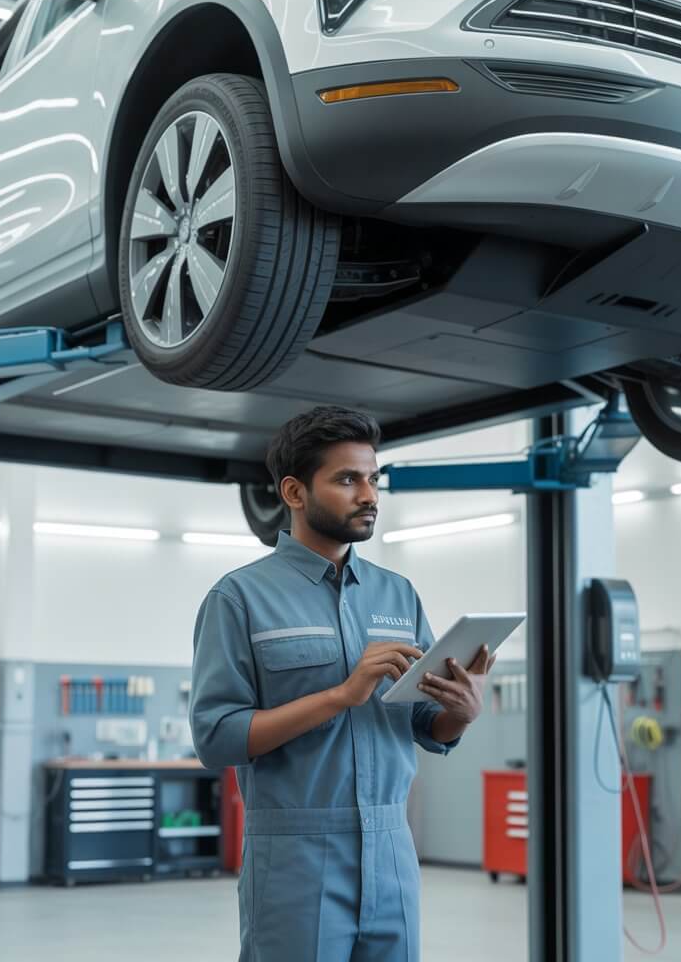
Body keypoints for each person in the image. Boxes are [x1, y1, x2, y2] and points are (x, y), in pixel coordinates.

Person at [190, 406, 496, 961]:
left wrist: (462, 712)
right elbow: (216, 737)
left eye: (373, 479)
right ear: (294, 492)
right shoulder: (238, 599)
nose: (369, 495)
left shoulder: (398, 594)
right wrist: (340, 696)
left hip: (392, 853)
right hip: (294, 859)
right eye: (347, 479)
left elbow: (426, 723)